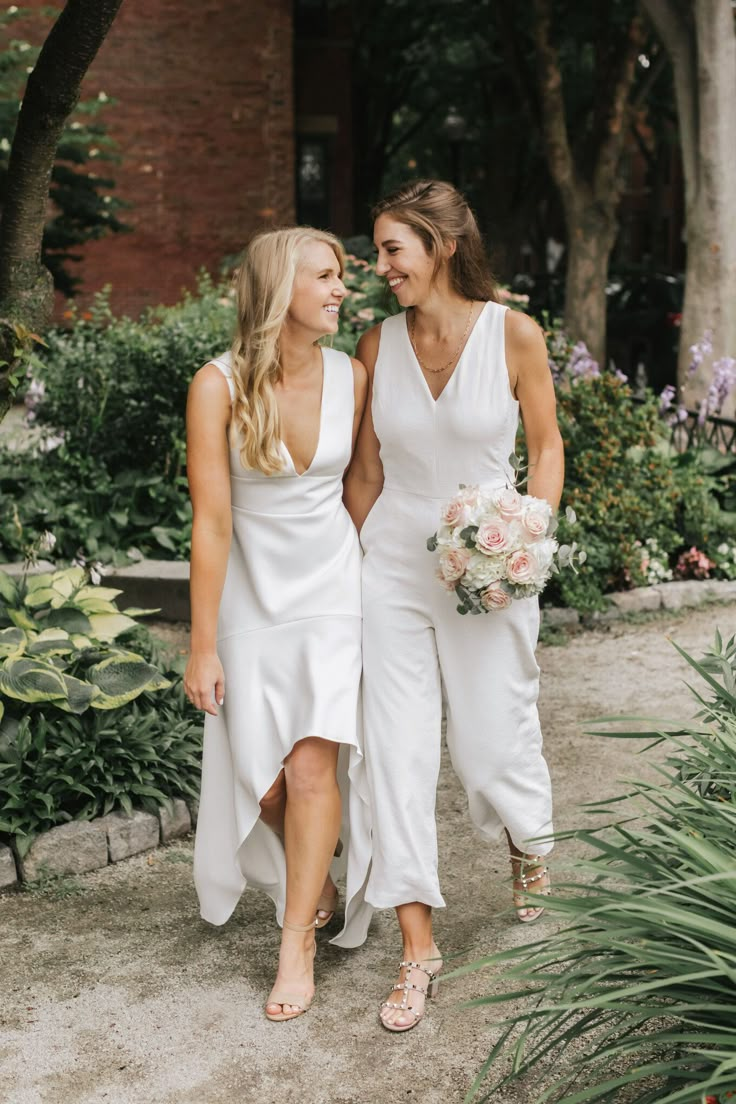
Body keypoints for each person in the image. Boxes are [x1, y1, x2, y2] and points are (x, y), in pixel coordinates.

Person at [344, 180, 564, 1033]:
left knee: (485, 745)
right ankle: (417, 949)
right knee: (394, 755)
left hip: (488, 565)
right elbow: (365, 472)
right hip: (392, 567)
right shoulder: (375, 343)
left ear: (439, 247)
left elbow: (544, 448)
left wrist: (524, 539)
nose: (379, 266)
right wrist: (341, 567)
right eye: (375, 250)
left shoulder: (514, 334)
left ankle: (526, 839)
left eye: (391, 249)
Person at [185, 226, 372, 1023]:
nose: (341, 290)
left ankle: (294, 944)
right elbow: (212, 525)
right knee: (261, 783)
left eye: (342, 277)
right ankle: (316, 878)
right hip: (251, 601)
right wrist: (200, 647)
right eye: (325, 277)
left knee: (309, 773)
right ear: (278, 291)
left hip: (334, 590)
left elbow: (364, 489)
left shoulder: (354, 376)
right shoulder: (216, 385)